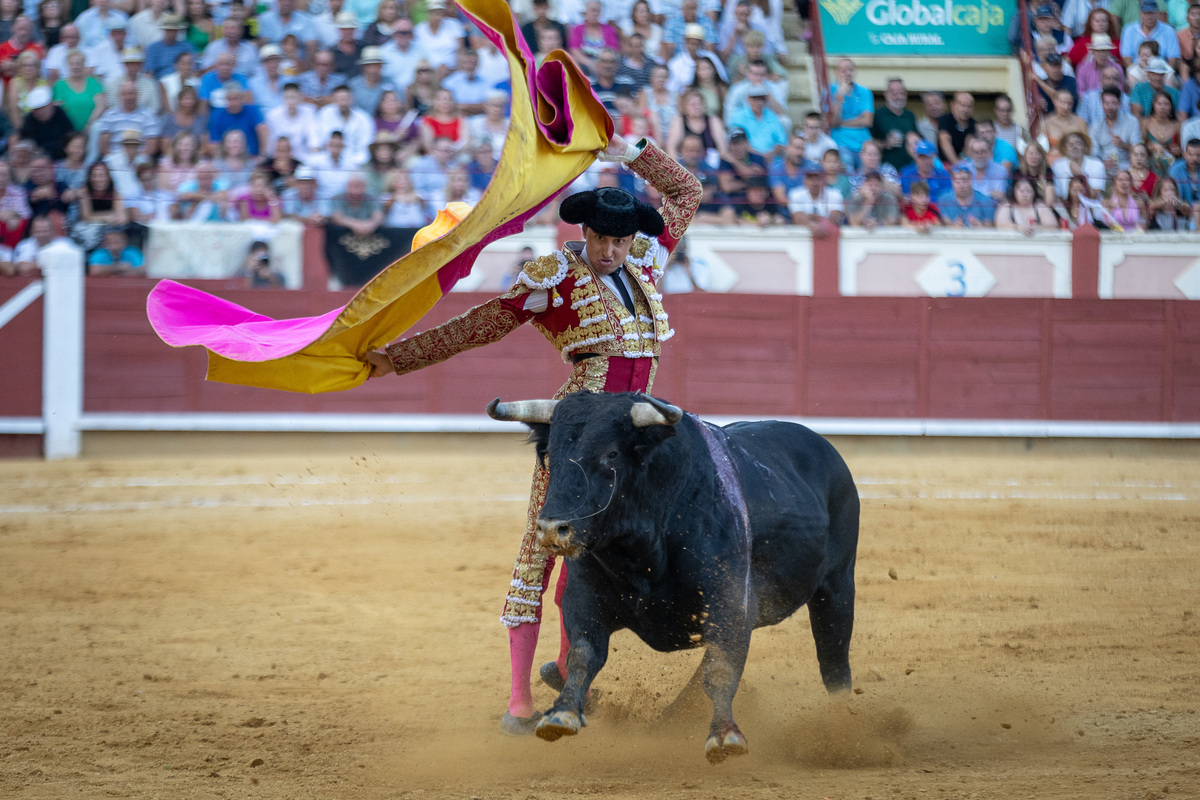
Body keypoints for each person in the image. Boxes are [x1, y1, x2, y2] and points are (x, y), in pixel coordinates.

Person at [361, 134, 699, 736]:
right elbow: (482, 325)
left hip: (638, 439)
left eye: (621, 241)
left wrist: (630, 150)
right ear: (585, 234)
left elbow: (686, 190)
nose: (612, 251)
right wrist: (402, 358)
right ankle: (519, 699)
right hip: (577, 435)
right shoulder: (552, 276)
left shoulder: (646, 261)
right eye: (602, 240)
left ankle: (573, 670)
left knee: (614, 550)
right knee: (542, 550)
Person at [824, 58, 873, 170]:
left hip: (863, 143)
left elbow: (867, 121)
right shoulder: (830, 90)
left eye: (850, 70)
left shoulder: (865, 92)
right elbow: (834, 121)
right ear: (836, 73)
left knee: (866, 177)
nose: (847, 73)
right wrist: (840, 96)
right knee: (848, 174)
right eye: (843, 70)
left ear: (854, 71)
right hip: (842, 143)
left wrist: (842, 123)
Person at [871, 77, 917, 171]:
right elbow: (869, 143)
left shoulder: (910, 115)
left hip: (909, 169)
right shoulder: (878, 114)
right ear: (885, 94)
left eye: (902, 93)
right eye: (894, 93)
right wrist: (886, 144)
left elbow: (916, 139)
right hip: (886, 169)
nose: (899, 96)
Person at [788, 159, 843, 233]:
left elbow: (834, 218)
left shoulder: (835, 195)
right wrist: (814, 224)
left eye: (818, 178)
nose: (814, 182)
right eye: (810, 178)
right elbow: (797, 218)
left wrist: (811, 218)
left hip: (828, 237)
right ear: (804, 180)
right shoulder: (796, 194)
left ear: (824, 179)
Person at [937, 91, 976, 167]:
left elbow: (969, 145)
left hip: (966, 164)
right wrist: (956, 165)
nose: (965, 109)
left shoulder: (973, 123)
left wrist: (962, 165)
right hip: (945, 164)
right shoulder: (945, 119)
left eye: (969, 106)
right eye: (962, 105)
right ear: (953, 105)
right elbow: (945, 143)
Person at [1167, 136, 1200, 200]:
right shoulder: (1175, 170)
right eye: (1190, 154)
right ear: (1184, 154)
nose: (1194, 159)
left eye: (1198, 155)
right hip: (1181, 209)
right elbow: (1174, 197)